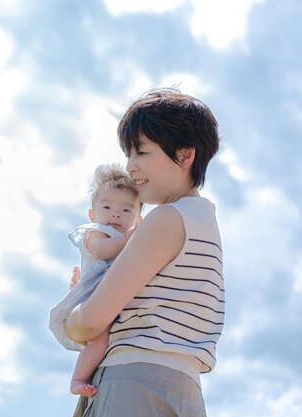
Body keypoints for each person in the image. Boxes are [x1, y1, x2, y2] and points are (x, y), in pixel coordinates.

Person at [64, 88, 224, 417]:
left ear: (184, 155)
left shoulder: (166, 218)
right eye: (128, 155)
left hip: (134, 382)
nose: (130, 166)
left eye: (141, 153)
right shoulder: (203, 220)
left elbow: (90, 322)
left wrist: (73, 313)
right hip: (184, 389)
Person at [49, 163, 142, 398]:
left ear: (138, 218)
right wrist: (132, 237)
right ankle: (78, 380)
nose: (116, 214)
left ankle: (96, 374)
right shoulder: (94, 232)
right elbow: (103, 251)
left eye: (126, 210)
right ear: (93, 213)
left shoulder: (129, 239)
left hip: (113, 297)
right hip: (94, 298)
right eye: (108, 206)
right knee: (99, 343)